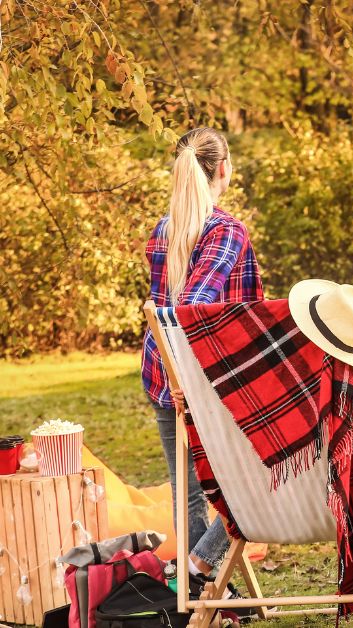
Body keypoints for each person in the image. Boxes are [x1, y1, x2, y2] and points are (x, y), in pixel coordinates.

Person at [141, 127, 261, 592]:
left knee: (187, 492)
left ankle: (202, 586)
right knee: (260, 470)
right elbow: (186, 311)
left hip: (160, 373)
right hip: (206, 378)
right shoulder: (226, 231)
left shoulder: (163, 230)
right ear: (223, 168)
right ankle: (203, 566)